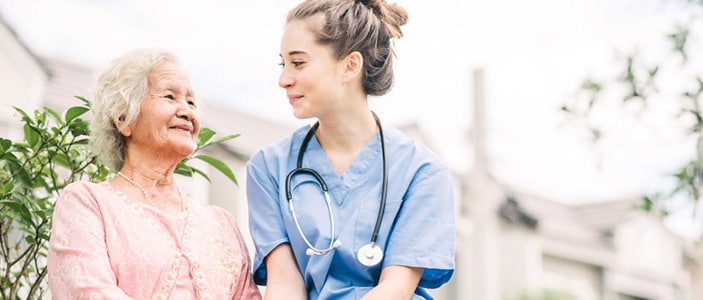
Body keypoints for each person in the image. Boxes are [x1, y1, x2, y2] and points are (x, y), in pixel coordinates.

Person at [245, 0, 456, 299]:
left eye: (298, 63)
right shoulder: (267, 168)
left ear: (350, 65)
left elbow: (395, 288)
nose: (283, 80)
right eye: (283, 64)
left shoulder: (422, 172)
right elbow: (283, 283)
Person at [47, 48, 262, 299]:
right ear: (123, 118)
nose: (187, 111)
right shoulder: (88, 202)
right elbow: (88, 292)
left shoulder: (221, 223)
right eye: (170, 96)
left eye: (191, 102)